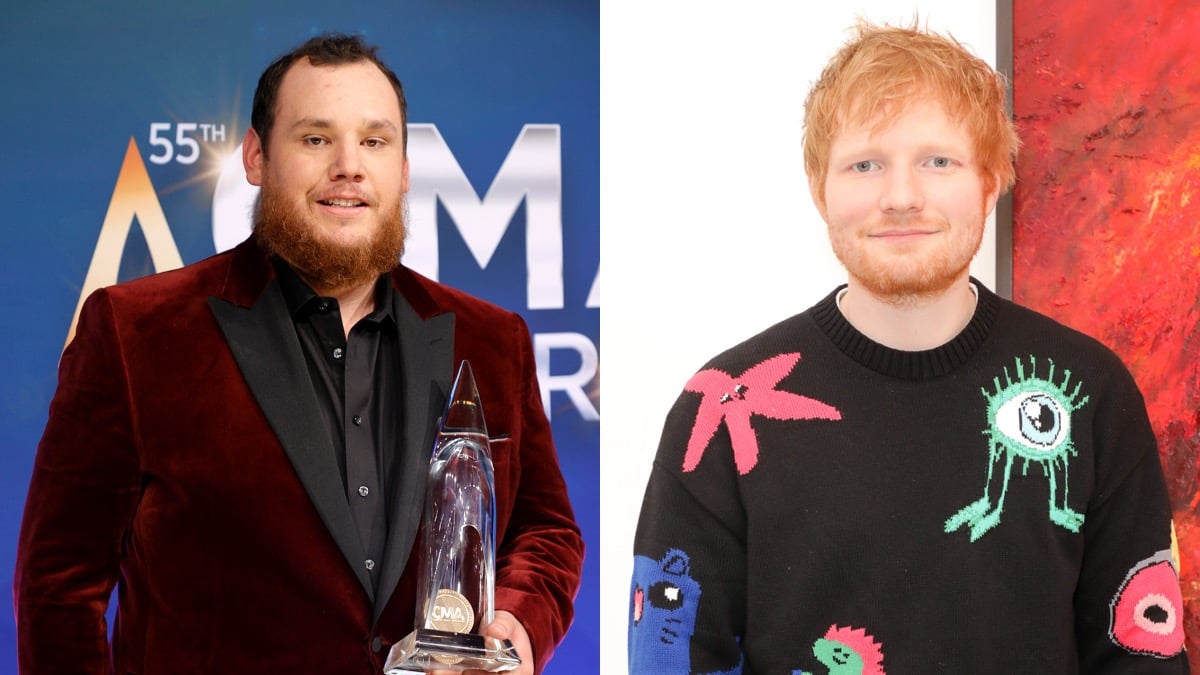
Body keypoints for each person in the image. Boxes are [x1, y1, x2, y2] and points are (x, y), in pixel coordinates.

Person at [628, 19, 1187, 674]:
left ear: (991, 180)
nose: (901, 197)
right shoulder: (717, 410)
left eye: (938, 161)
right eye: (866, 164)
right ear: (819, 188)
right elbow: (673, 651)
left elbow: (1140, 652)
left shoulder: (1090, 391)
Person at [14, 33, 583, 675]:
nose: (349, 166)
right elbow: (58, 586)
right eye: (316, 139)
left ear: (403, 167)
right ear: (256, 157)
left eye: (374, 140)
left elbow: (546, 531)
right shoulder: (135, 332)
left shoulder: (491, 337)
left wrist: (513, 630)